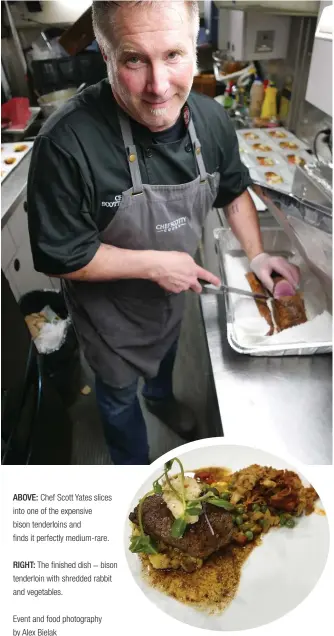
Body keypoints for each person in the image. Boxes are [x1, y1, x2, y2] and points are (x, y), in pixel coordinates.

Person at [27, 1, 299, 465]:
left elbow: (233, 192)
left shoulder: (211, 122)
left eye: (173, 55)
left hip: (172, 301)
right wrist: (155, 264)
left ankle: (160, 398)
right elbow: (62, 255)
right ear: (106, 57)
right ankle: (131, 469)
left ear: (194, 51)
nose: (158, 87)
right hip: (109, 322)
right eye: (135, 59)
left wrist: (255, 256)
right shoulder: (66, 144)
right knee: (116, 400)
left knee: (165, 360)